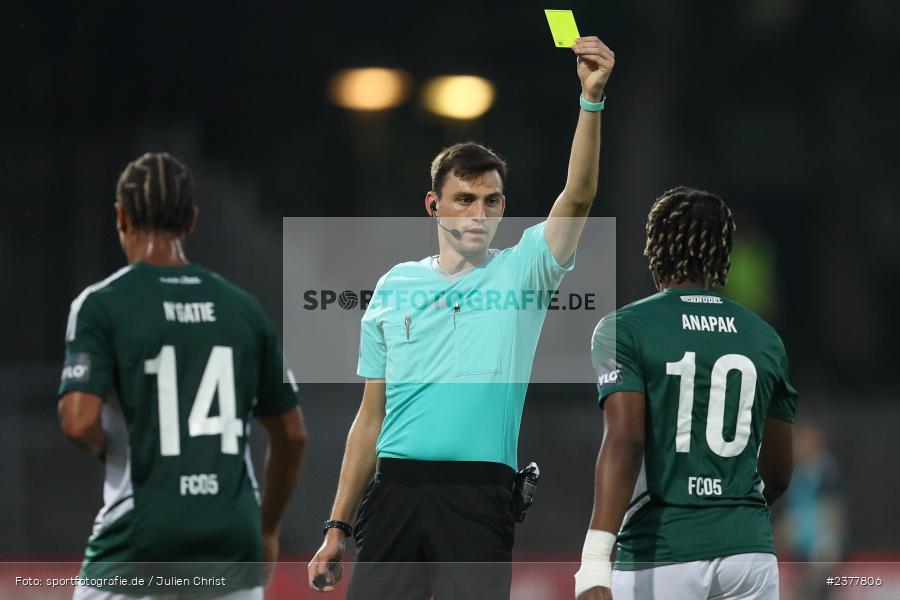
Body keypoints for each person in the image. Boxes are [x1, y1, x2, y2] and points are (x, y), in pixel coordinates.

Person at [308, 36, 615, 600]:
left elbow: (578, 195)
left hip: (478, 499)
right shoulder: (394, 286)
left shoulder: (524, 272)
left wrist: (590, 101)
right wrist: (336, 527)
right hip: (394, 494)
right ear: (434, 205)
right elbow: (369, 418)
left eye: (492, 201)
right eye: (465, 199)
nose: (479, 213)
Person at [58, 152, 307, 600]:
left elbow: (78, 422)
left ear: (120, 216)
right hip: (231, 536)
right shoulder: (243, 309)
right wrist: (266, 529)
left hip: (141, 536)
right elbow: (292, 435)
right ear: (191, 221)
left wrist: (105, 450)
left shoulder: (101, 305)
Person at [574, 187, 797, 600]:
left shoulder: (624, 328)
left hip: (662, 549)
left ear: (656, 248)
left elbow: (626, 441)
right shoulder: (765, 338)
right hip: (749, 554)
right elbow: (780, 471)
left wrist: (593, 560)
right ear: (722, 255)